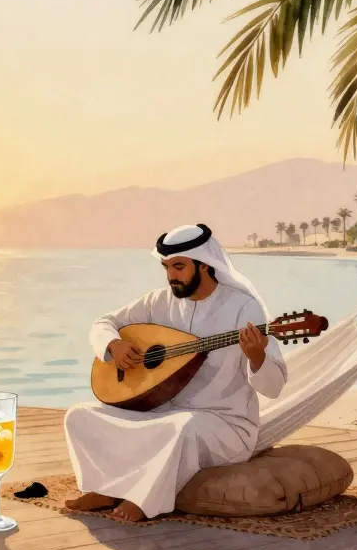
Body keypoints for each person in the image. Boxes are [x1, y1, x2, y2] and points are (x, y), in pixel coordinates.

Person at [64, 223, 288, 522]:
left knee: (182, 427)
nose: (171, 275)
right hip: (161, 411)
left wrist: (257, 356)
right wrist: (114, 345)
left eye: (179, 267)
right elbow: (103, 323)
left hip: (223, 424)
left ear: (205, 266)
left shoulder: (243, 308)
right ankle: (104, 489)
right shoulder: (157, 302)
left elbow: (273, 387)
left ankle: (146, 500)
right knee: (79, 415)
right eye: (166, 267)